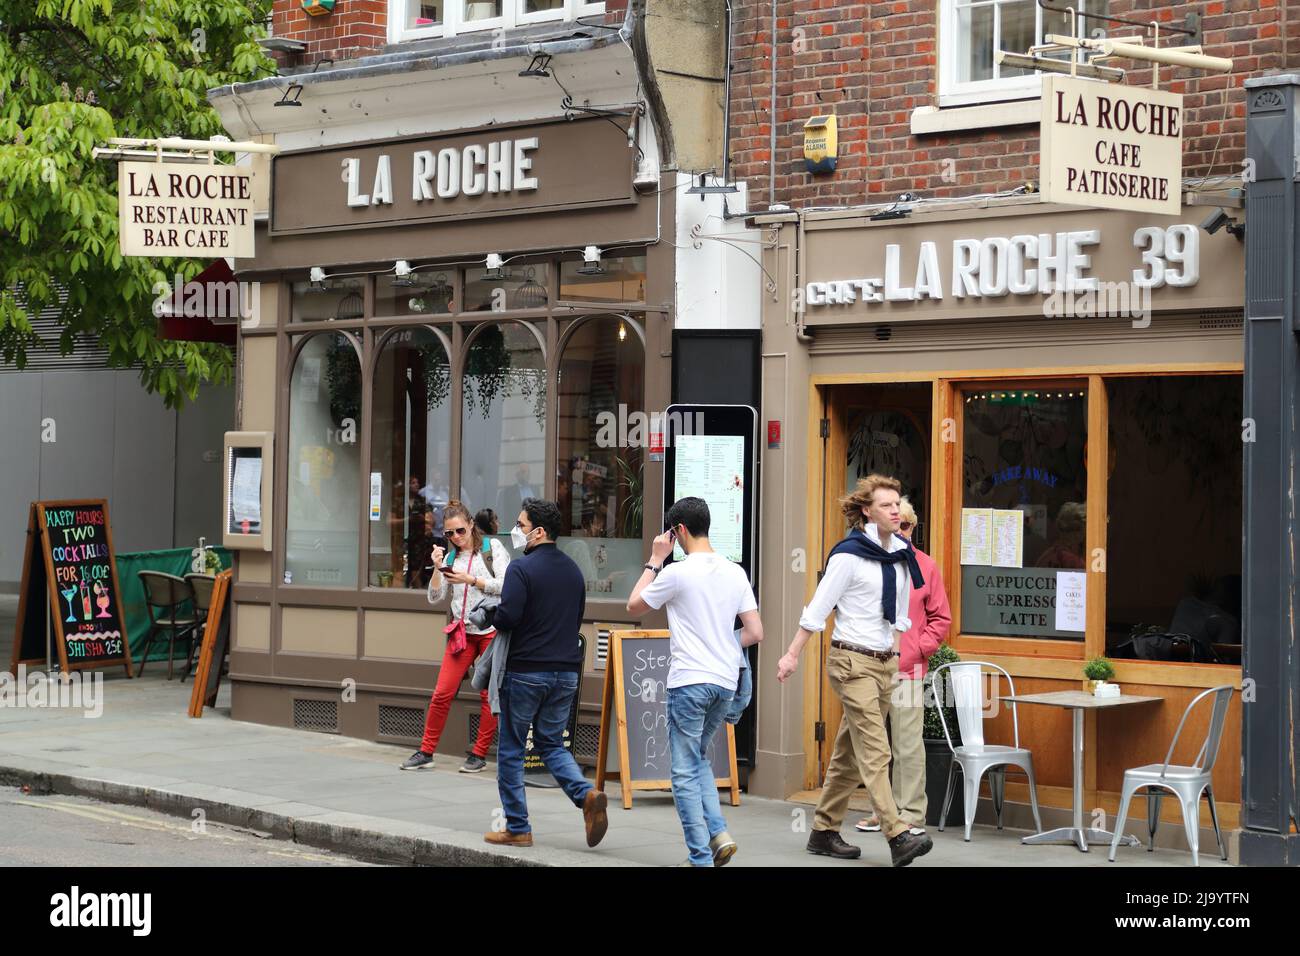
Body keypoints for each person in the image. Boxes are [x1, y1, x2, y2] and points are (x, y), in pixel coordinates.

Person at [777, 474, 934, 867]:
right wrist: (791, 654)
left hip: (884, 664)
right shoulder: (848, 555)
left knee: (849, 752)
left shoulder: (901, 553)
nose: (895, 510)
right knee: (877, 749)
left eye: (897, 504)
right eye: (886, 505)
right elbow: (818, 609)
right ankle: (897, 834)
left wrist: (896, 656)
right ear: (867, 511)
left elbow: (899, 615)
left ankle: (824, 830)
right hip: (851, 662)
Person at [627, 497, 763, 867]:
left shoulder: (676, 572)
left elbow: (634, 605)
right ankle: (718, 834)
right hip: (724, 683)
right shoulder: (736, 572)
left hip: (689, 682)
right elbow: (755, 631)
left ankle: (700, 858)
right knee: (698, 759)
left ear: (678, 532)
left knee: (683, 772)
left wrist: (656, 559)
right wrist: (721, 641)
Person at [485, 498, 608, 849]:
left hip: (526, 671)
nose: (516, 530)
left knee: (510, 749)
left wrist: (490, 613)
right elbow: (575, 617)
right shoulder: (573, 571)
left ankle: (518, 827)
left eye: (521, 525)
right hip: (566, 672)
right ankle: (586, 795)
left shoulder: (521, 571)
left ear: (538, 532)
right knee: (551, 743)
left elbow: (508, 617)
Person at [855, 496, 951, 834]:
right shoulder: (871, 561)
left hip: (908, 670)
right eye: (898, 525)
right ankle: (882, 812)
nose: (903, 531)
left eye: (908, 525)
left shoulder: (926, 566)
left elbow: (941, 618)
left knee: (908, 745)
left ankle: (910, 814)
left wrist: (918, 651)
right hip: (870, 667)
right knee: (873, 746)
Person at [400, 502, 509, 774]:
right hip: (461, 633)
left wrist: (473, 581)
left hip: (490, 632)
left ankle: (479, 754)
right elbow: (434, 598)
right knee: (441, 693)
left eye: (460, 530)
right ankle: (426, 751)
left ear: (471, 524)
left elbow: (508, 586)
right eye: (449, 534)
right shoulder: (451, 559)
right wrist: (438, 567)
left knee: (488, 696)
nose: (456, 538)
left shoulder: (492, 549)